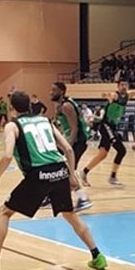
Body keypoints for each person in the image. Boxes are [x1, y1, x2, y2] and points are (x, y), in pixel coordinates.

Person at [0, 91, 107, 270]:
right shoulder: (45, 120)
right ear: (30, 105)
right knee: (70, 215)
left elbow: (7, 155)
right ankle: (97, 256)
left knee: (4, 212)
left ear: (12, 108)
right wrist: (72, 175)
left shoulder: (12, 125)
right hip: (59, 170)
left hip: (38, 174)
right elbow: (68, 148)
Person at [50, 82, 92, 212]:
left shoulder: (67, 106)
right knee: (53, 164)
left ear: (62, 92)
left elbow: (74, 129)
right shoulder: (60, 105)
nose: (51, 92)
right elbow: (65, 127)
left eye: (54, 90)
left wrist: (67, 147)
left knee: (67, 171)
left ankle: (82, 199)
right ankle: (50, 195)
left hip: (77, 142)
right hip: (69, 141)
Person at [81, 80, 132, 187]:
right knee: (121, 150)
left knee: (102, 154)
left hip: (113, 127)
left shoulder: (127, 96)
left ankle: (84, 172)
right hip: (106, 125)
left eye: (125, 85)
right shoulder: (115, 95)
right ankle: (112, 177)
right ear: (118, 87)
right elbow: (108, 95)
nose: (124, 87)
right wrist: (107, 95)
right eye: (122, 85)